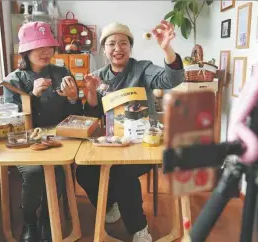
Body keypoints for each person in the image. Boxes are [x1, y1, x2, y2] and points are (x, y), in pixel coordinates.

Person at [76, 20, 185, 242]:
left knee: (121, 172)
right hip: (111, 144)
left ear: (130, 47)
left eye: (123, 43)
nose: (118, 49)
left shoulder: (143, 69)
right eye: (112, 44)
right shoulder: (97, 75)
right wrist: (91, 94)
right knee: (84, 172)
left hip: (142, 142)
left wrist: (166, 49)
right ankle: (109, 204)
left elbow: (172, 79)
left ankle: (139, 228)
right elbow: (90, 117)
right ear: (104, 49)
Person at [3, 21, 84, 242]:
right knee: (34, 172)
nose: (46, 51)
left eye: (49, 46)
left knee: (57, 171)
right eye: (40, 46)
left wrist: (73, 98)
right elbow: (11, 122)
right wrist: (32, 96)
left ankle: (48, 220)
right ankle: (29, 221)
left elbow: (76, 114)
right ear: (26, 51)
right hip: (25, 141)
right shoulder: (13, 80)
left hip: (59, 139)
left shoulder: (62, 72)